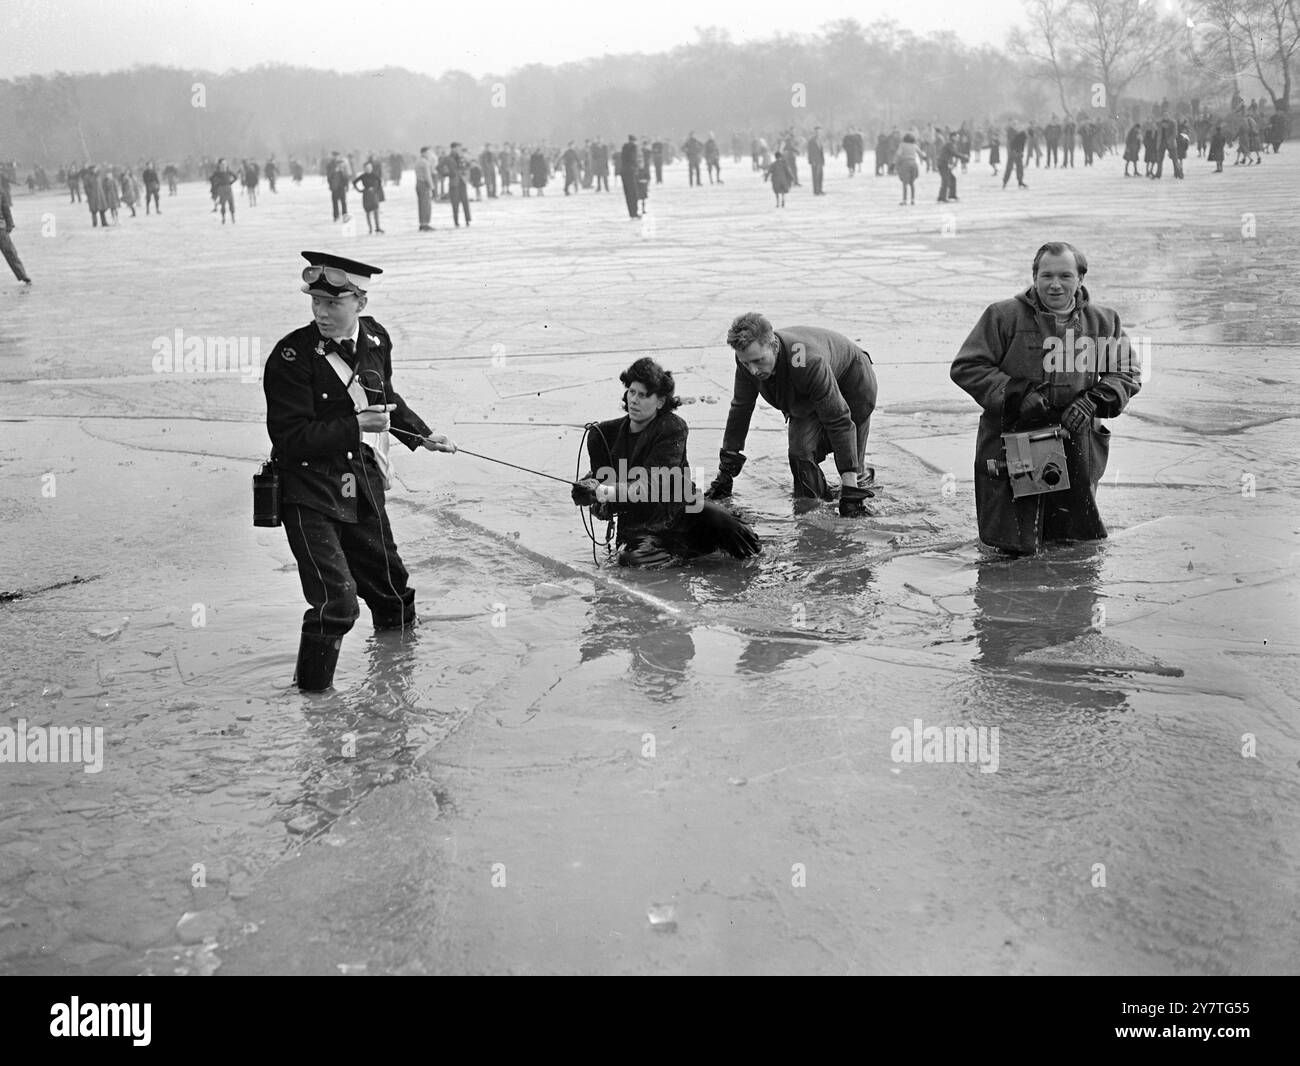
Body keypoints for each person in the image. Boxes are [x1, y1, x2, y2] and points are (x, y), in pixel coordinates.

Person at [263, 251, 457, 690]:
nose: (321, 312)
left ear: (359, 303)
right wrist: (354, 426)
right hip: (307, 489)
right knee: (338, 603)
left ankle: (395, 679)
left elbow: (383, 394)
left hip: (358, 480)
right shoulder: (290, 356)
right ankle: (314, 701)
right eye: (316, 302)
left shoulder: (375, 338)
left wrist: (421, 434)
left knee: (392, 589)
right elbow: (289, 438)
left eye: (332, 304)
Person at [950, 242, 1141, 555]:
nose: (1055, 284)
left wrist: (1093, 400)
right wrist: (1016, 393)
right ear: (1034, 277)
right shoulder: (1003, 316)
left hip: (1075, 441)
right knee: (1009, 544)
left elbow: (1126, 373)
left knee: (1075, 544)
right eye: (1046, 275)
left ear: (1081, 279)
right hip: (1013, 440)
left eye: (1065, 276)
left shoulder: (1104, 322)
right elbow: (967, 367)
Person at [572, 358, 761, 569]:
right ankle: (678, 557)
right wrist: (590, 495)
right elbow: (605, 508)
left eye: (643, 395)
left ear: (660, 402)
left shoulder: (672, 428)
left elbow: (650, 486)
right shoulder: (602, 436)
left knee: (740, 534)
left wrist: (602, 491)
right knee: (631, 560)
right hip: (641, 527)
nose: (634, 400)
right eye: (632, 392)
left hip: (685, 514)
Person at [707, 312, 877, 515]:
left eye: (759, 360)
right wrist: (726, 472)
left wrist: (850, 491)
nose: (753, 370)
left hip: (853, 381)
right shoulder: (746, 358)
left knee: (853, 475)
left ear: (774, 346)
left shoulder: (806, 361)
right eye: (746, 363)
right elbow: (741, 408)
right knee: (800, 451)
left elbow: (838, 420)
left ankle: (858, 483)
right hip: (805, 394)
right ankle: (813, 509)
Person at [0, 201, 32, 287]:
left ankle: (22, 275)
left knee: (10, 252)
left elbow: (5, 207)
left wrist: (10, 223)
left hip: (1, 228)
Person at [352, 161, 384, 233]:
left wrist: (376, 190)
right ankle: (370, 228)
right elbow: (354, 182)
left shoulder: (374, 175)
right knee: (368, 212)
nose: (368, 169)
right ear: (364, 169)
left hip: (373, 195)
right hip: (366, 195)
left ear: (371, 168)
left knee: (376, 211)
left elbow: (379, 182)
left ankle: (377, 227)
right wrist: (359, 190)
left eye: (369, 167)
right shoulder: (363, 176)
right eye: (367, 168)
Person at [447, 142, 471, 226]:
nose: (459, 149)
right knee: (455, 203)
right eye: (458, 148)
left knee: (465, 202)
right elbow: (440, 167)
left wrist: (465, 175)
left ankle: (467, 220)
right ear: (453, 148)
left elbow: (467, 166)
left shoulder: (462, 157)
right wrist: (449, 174)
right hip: (454, 183)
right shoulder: (448, 158)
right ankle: (456, 221)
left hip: (462, 181)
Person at [894, 132, 921, 205]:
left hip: (905, 164)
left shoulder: (902, 145)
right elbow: (921, 153)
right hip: (914, 164)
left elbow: (898, 154)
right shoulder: (914, 145)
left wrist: (894, 163)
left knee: (905, 183)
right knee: (912, 183)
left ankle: (904, 200)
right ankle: (913, 199)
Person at [414, 146, 435, 231]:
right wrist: (432, 187)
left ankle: (422, 222)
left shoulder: (418, 161)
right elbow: (427, 176)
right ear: (424, 153)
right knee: (426, 204)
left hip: (418, 183)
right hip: (424, 184)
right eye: (428, 152)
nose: (429, 154)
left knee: (421, 204)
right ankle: (425, 223)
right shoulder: (425, 163)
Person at [210, 158, 237, 223]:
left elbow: (235, 177)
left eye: (224, 164)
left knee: (231, 203)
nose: (223, 165)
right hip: (221, 189)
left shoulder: (228, 171)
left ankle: (233, 217)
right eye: (222, 164)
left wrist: (230, 182)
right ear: (219, 165)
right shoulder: (217, 173)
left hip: (228, 188)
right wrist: (216, 184)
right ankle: (223, 218)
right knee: (223, 204)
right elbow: (211, 179)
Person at [619, 135, 639, 218]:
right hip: (630, 172)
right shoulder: (633, 147)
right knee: (633, 193)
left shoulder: (624, 147)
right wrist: (637, 167)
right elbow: (633, 159)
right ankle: (634, 212)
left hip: (623, 171)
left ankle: (631, 212)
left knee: (627, 193)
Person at [1002, 123, 1027, 188]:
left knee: (1019, 167)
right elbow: (1010, 144)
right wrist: (1012, 152)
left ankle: (1019, 181)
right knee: (1010, 168)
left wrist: (1021, 152)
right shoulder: (1012, 133)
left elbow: (1022, 145)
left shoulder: (1021, 134)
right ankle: (1005, 182)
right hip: (1013, 153)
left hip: (1017, 152)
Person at [807, 126, 826, 195]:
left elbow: (821, 151)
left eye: (820, 132)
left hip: (820, 161)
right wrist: (811, 161)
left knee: (820, 176)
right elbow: (810, 151)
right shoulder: (811, 140)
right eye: (817, 132)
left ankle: (820, 190)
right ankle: (816, 191)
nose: (819, 133)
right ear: (814, 132)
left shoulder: (820, 140)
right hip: (814, 161)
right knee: (815, 176)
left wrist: (823, 161)